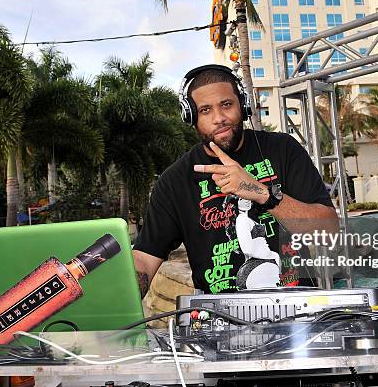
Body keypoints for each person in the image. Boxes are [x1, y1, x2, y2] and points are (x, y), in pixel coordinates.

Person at [132, 64, 338, 297]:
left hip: (296, 310)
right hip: (219, 320)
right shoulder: (174, 181)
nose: (219, 118)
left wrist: (260, 192)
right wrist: (111, 298)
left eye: (226, 105)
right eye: (205, 110)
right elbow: (145, 259)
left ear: (243, 105)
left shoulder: (283, 149)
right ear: (191, 117)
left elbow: (328, 230)